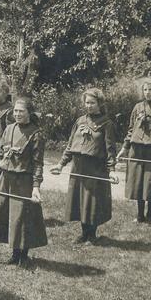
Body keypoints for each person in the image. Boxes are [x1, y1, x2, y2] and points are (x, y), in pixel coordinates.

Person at [0, 96, 46, 267]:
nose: (17, 114)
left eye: (21, 111)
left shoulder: (36, 134)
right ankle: (14, 254)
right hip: (6, 179)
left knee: (21, 218)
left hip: (22, 181)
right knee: (7, 215)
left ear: (29, 113)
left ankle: (23, 256)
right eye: (15, 111)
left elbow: (38, 164)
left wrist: (36, 187)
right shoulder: (9, 129)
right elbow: (0, 157)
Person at [50, 88, 117, 243]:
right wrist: (61, 164)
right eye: (87, 102)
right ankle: (83, 233)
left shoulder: (107, 124)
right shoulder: (80, 121)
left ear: (100, 103)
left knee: (91, 201)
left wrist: (112, 170)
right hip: (78, 167)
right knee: (79, 200)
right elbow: (70, 145)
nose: (89, 106)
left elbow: (110, 149)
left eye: (92, 103)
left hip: (95, 168)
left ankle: (92, 235)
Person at [117, 77, 151, 222]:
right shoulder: (137, 107)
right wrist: (124, 148)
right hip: (136, 150)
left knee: (150, 182)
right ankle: (140, 215)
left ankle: (150, 214)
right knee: (137, 182)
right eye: (145, 89)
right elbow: (131, 130)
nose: (147, 92)